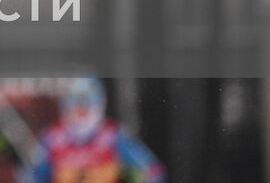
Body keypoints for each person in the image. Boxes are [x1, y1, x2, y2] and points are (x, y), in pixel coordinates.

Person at [21, 78, 166, 183]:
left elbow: (153, 171)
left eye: (87, 107)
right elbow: (31, 176)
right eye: (76, 107)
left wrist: (137, 176)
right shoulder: (52, 137)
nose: (81, 114)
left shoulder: (114, 135)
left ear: (99, 106)